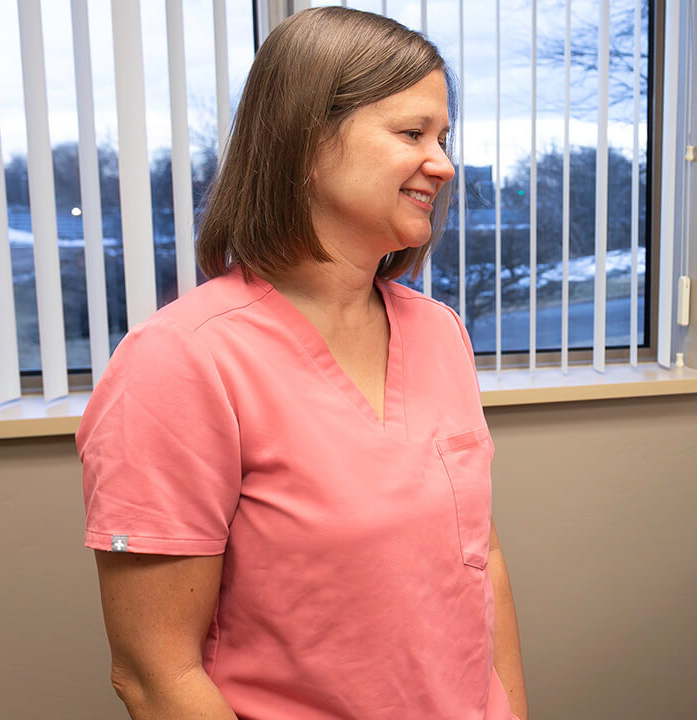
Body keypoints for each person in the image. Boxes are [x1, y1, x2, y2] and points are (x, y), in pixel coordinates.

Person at [77, 8, 527, 719]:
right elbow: (154, 674)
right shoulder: (180, 364)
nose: (443, 163)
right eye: (412, 134)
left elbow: (482, 564)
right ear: (307, 142)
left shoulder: (440, 335)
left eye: (444, 137)